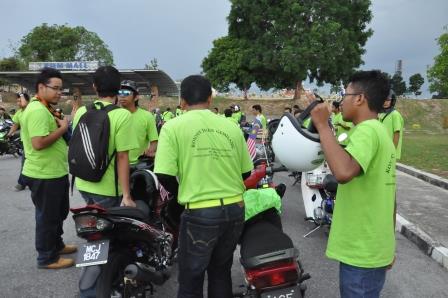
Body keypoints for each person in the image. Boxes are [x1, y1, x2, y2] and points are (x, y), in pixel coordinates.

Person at [154, 75, 253, 298]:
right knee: (220, 272)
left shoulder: (173, 127)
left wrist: (181, 196)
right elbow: (246, 172)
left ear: (182, 101)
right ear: (210, 99)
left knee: (191, 278)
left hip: (200, 212)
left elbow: (163, 173)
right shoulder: (231, 127)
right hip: (235, 209)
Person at [310, 70, 396, 298]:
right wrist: (389, 245)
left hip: (362, 251)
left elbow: (344, 172)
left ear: (360, 98)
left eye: (345, 94)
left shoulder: (366, 131)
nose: (341, 100)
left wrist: (322, 126)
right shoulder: (380, 131)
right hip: (374, 247)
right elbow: (391, 196)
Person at [20, 67, 76, 269]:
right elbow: (38, 143)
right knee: (47, 217)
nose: (59, 93)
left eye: (61, 89)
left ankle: (57, 245)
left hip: (55, 171)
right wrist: (62, 129)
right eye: (56, 88)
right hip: (43, 173)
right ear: (41, 87)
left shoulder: (48, 108)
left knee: (58, 213)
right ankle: (46, 257)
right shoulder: (37, 111)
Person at [72, 66, 138, 208]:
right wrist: (126, 195)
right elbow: (122, 157)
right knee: (110, 228)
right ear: (118, 88)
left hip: (82, 183)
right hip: (107, 189)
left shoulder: (81, 111)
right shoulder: (122, 115)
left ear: (95, 87)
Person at [118, 80, 158, 163]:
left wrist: (149, 151)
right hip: (117, 165)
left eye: (126, 93)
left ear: (136, 97)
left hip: (138, 165)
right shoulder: (114, 115)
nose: (122, 96)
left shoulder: (147, 116)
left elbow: (154, 141)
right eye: (120, 92)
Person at [7, 93, 30, 191]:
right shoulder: (19, 112)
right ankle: (23, 183)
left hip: (36, 141)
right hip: (26, 143)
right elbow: (15, 124)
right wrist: (9, 134)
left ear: (27, 100)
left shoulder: (32, 110)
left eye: (20, 100)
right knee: (25, 163)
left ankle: (22, 183)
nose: (18, 103)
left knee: (26, 163)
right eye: (17, 101)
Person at [379, 91, 404, 160]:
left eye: (388, 100)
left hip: (390, 150)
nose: (385, 102)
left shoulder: (395, 115)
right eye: (383, 100)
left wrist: (392, 150)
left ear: (392, 101)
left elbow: (397, 134)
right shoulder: (380, 114)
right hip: (381, 149)